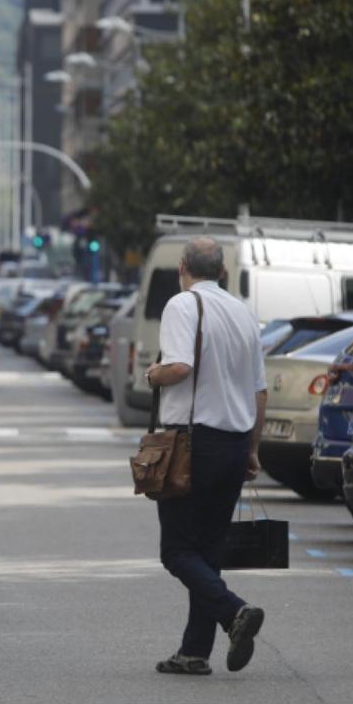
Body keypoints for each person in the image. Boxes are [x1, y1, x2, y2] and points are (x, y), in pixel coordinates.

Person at [144, 237, 267, 676]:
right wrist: (252, 448)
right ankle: (194, 653)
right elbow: (260, 391)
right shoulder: (244, 314)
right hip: (233, 444)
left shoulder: (183, 305)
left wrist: (152, 372)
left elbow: (178, 367)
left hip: (193, 445)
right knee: (208, 551)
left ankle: (235, 612)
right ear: (223, 272)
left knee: (176, 550)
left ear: (183, 268)